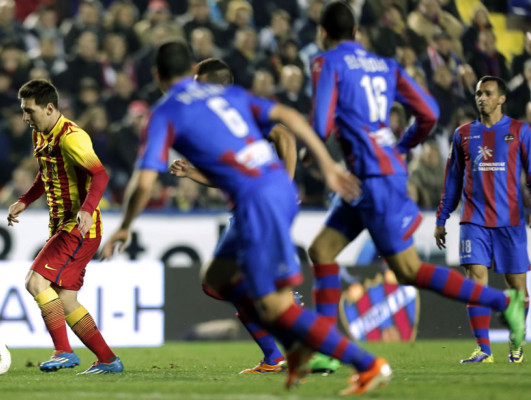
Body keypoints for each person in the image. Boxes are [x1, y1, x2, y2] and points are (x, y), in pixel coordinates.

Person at [101, 40, 391, 395]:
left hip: (257, 199)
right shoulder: (228, 96)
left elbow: (143, 182)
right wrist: (328, 165)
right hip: (270, 190)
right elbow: (288, 117)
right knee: (216, 277)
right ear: (192, 70)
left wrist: (125, 226)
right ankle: (287, 344)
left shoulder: (166, 111)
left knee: (272, 303)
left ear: (157, 75)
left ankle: (365, 363)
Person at [306, 0, 525, 376]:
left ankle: (501, 302)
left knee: (408, 271)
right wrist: (402, 145)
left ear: (322, 33)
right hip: (372, 176)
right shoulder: (386, 65)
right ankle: (326, 351)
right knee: (322, 250)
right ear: (357, 32)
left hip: (373, 180)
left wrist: (306, 147)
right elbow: (428, 112)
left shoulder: (327, 63)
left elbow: (322, 126)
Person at [7, 79, 123, 374]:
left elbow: (100, 176)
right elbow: (46, 174)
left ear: (49, 108)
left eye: (29, 111)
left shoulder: (73, 137)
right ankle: (108, 360)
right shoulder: (41, 133)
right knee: (66, 300)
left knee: (35, 281)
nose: (25, 118)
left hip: (78, 227)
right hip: (63, 225)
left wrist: (86, 210)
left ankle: (63, 351)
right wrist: (25, 200)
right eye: (23, 111)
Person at [435, 76, 531, 364]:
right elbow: (452, 180)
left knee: (517, 287)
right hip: (473, 220)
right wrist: (441, 219)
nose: (481, 98)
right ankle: (484, 350)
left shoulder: (520, 131)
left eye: (488, 93)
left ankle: (516, 341)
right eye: (478, 93)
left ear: (501, 98)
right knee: (476, 281)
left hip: (511, 221)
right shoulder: (463, 134)